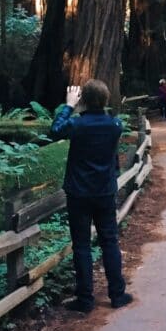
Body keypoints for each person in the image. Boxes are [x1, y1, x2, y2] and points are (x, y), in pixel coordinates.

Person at [49, 79, 134, 313]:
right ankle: (117, 294)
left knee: (82, 245)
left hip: (79, 193)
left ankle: (85, 299)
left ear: (83, 100)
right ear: (106, 100)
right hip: (105, 191)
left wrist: (69, 105)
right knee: (109, 241)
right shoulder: (115, 125)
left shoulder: (77, 125)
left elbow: (55, 130)